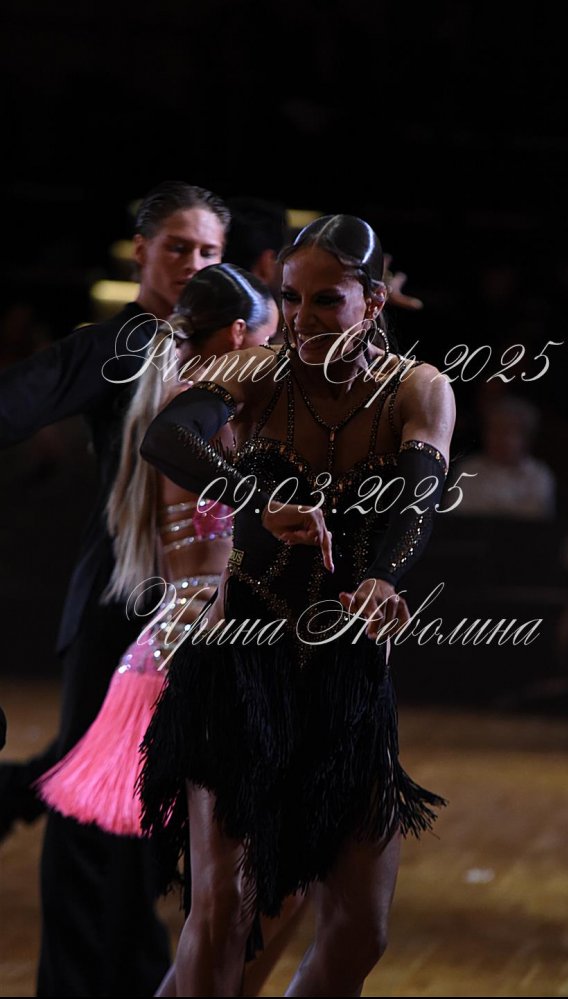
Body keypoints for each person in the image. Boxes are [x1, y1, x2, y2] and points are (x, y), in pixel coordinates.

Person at [138, 214, 457, 996]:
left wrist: (383, 576)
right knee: (222, 909)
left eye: (326, 300)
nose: (303, 318)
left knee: (360, 928)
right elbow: (168, 437)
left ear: (372, 302)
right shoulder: (258, 370)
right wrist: (254, 497)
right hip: (240, 668)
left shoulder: (418, 387)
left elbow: (419, 495)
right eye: (291, 297)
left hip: (345, 678)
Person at [0, 180, 229, 997]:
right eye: (178, 247)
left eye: (209, 251)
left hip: (197, 615)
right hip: (118, 607)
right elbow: (19, 399)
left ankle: (137, 976)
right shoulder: (121, 343)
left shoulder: (233, 348)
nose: (194, 263)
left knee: (154, 818)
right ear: (141, 252)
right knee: (89, 821)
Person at [454, 395, 556, 518]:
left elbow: (535, 517)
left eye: (508, 431)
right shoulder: (468, 470)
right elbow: (457, 516)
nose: (500, 438)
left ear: (525, 437)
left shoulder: (538, 475)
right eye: (494, 430)